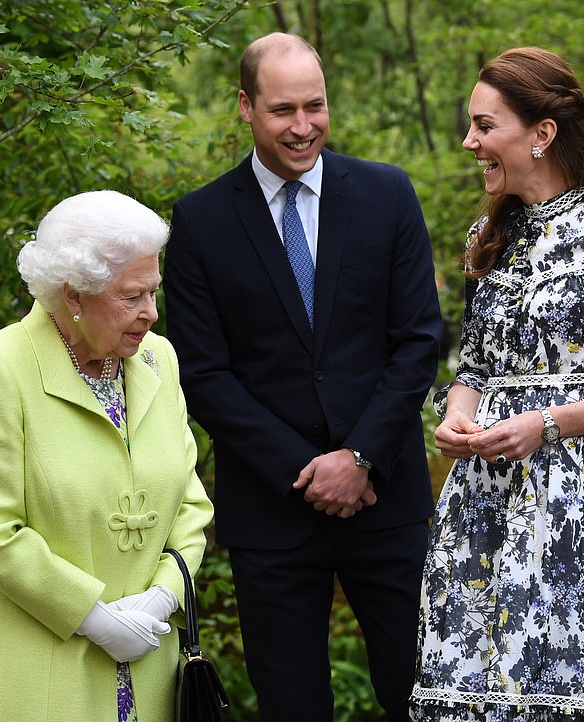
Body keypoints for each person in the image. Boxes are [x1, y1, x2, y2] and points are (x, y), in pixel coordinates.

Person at [163, 31, 443, 722]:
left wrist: (360, 457)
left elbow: (419, 341)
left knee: (425, 699)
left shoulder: (386, 193)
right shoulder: (199, 220)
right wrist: (311, 470)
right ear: (245, 107)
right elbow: (203, 374)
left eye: (314, 106)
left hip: (388, 500)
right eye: (283, 109)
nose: (303, 126)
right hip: (271, 512)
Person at [410, 47, 584, 722]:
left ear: (541, 133)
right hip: (483, 499)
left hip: (575, 494)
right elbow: (473, 367)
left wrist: (549, 423)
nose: (469, 141)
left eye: (484, 125)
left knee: (561, 686)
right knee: (471, 686)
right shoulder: (487, 234)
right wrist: (455, 419)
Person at [0, 190, 214, 721]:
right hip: (43, 667)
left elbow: (190, 504)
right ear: (73, 296)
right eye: (132, 297)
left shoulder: (158, 361)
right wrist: (93, 618)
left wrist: (162, 599)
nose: (151, 314)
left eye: (153, 292)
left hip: (152, 663)